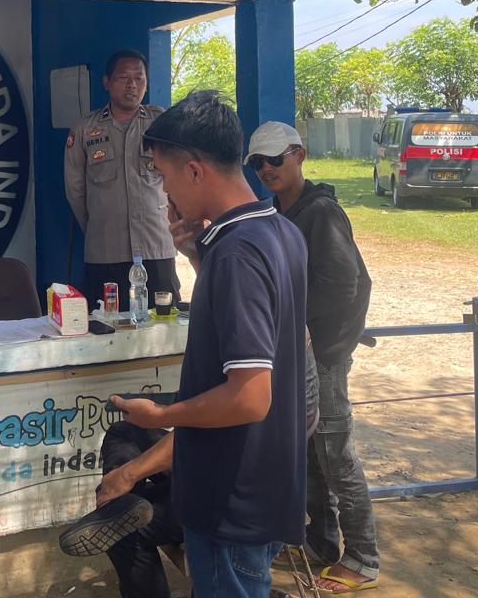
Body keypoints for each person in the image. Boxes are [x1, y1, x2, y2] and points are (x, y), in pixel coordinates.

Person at [106, 91, 307, 598]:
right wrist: (198, 255)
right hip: (262, 485)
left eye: (164, 176)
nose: (164, 193)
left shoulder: (238, 253)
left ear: (195, 171)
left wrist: (160, 415)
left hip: (231, 498)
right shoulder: (278, 231)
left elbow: (249, 396)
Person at [62, 336, 320, 597]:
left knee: (124, 533)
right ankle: (120, 506)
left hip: (238, 492)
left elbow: (226, 419)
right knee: (125, 431)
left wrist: (131, 470)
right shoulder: (282, 332)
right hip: (234, 465)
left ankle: (118, 509)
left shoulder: (246, 323)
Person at [247, 121, 379, 593]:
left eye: (274, 159)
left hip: (323, 355)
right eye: (257, 163)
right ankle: (320, 541)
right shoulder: (278, 212)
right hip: (298, 354)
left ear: (299, 155)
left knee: (335, 455)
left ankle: (363, 558)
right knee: (310, 454)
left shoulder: (320, 212)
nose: (266, 169)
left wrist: (300, 326)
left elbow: (344, 284)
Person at [64, 49, 178, 311]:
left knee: (164, 322)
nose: (132, 85)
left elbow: (178, 180)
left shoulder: (162, 124)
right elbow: (75, 191)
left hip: (156, 248)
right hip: (105, 252)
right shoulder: (85, 129)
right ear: (106, 82)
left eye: (139, 78)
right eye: (124, 77)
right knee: (106, 323)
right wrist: (100, 225)